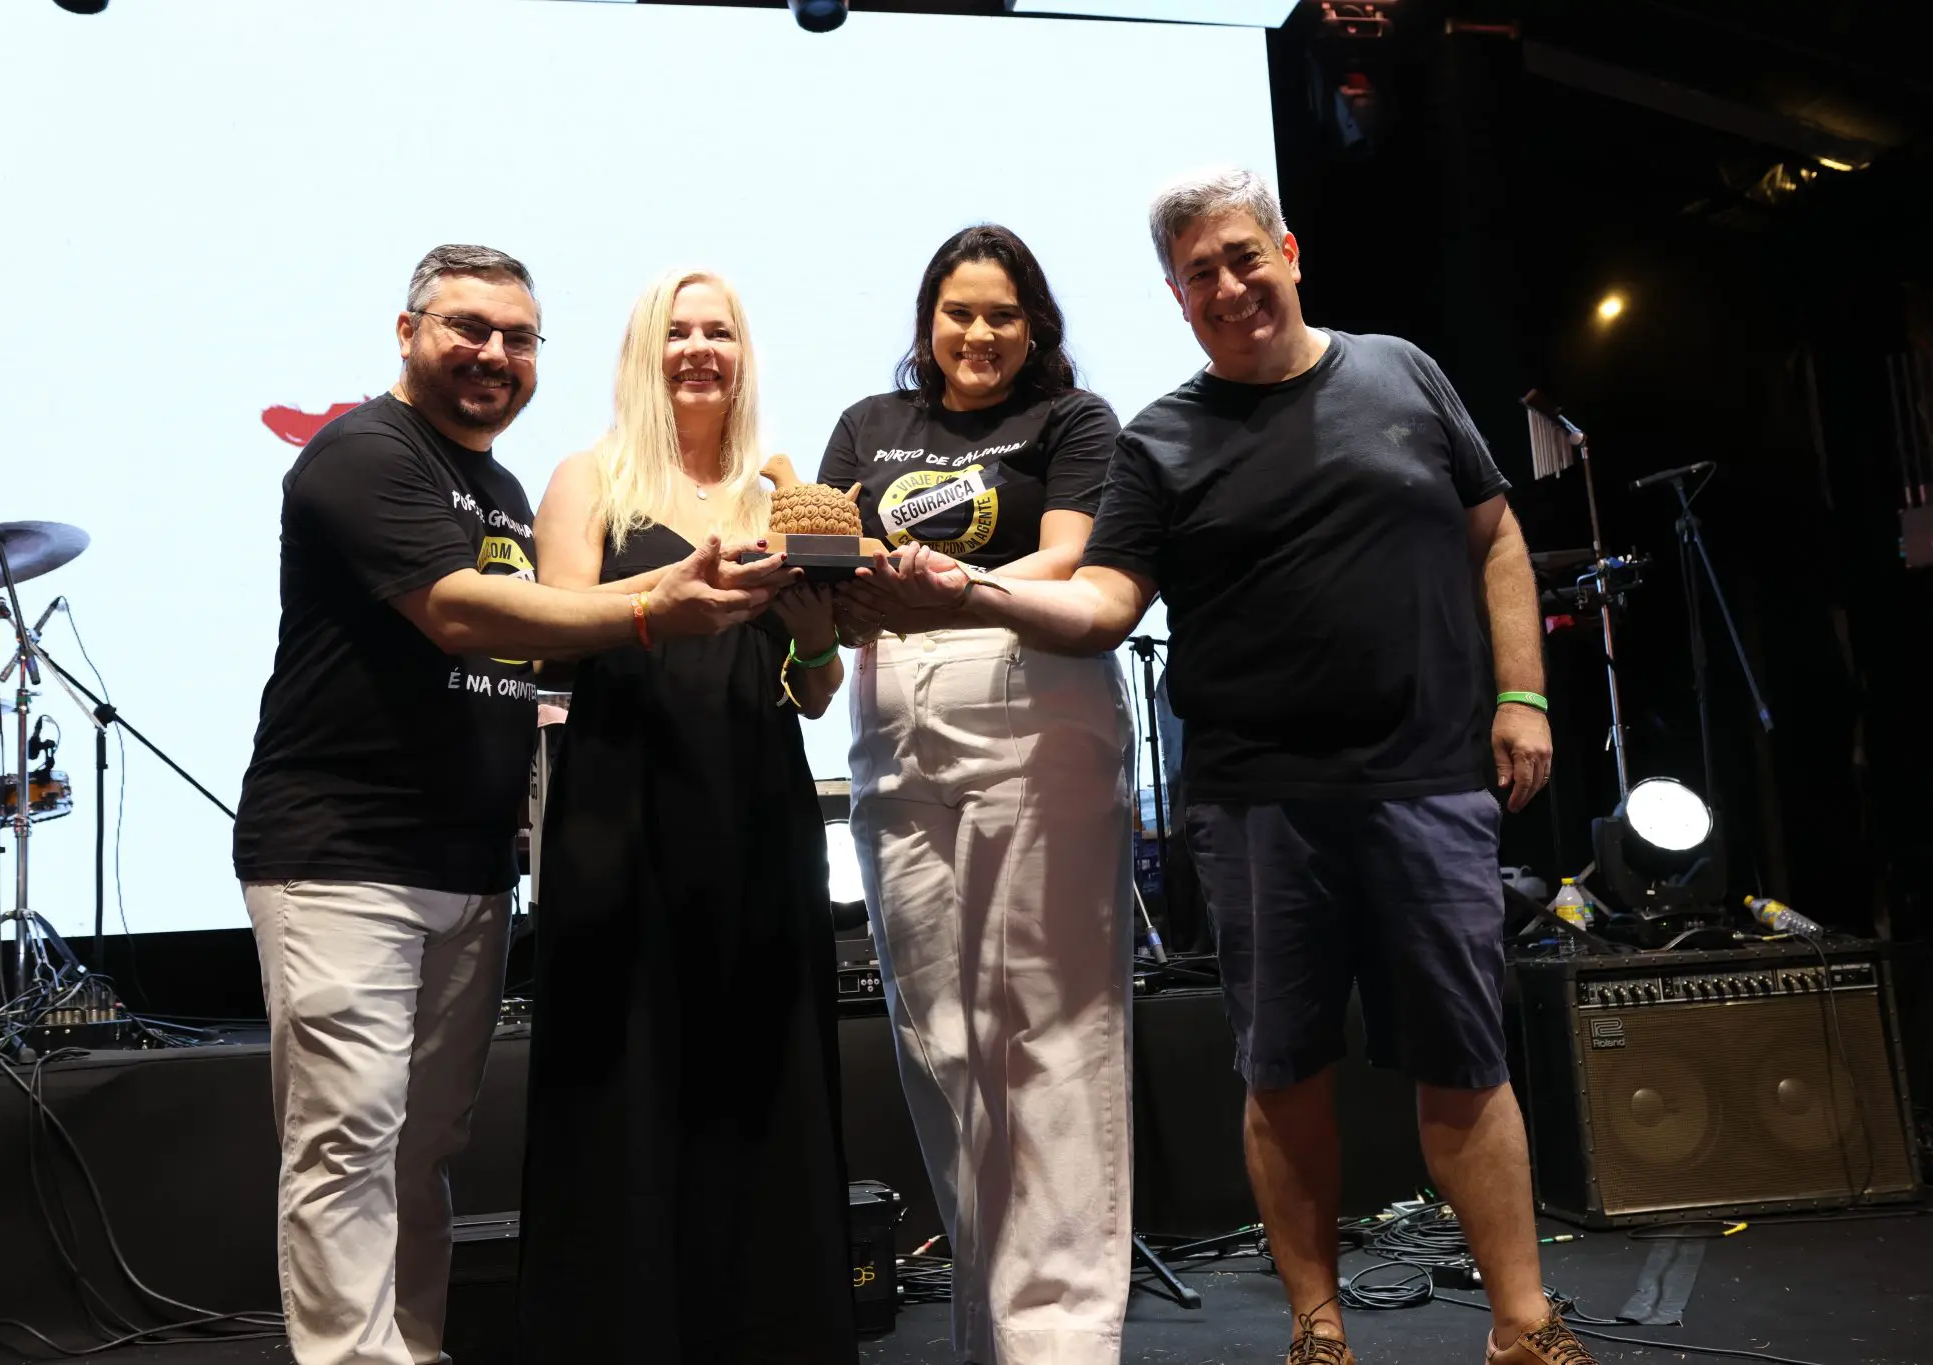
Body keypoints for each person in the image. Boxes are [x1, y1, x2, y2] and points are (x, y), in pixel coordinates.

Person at [867, 168, 1599, 1365]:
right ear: (1175, 295)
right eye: (1197, 273)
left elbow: (1494, 535)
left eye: (1241, 257)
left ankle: (1522, 1326)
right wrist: (977, 594)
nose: (1226, 286)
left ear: (1287, 253)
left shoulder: (1400, 373)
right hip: (1256, 803)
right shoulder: (1159, 440)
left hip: (1425, 784)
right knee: (1282, 1073)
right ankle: (1317, 1332)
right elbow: (1103, 604)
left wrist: (1520, 697)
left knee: (1465, 1063)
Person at [233, 244, 776, 1365]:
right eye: (467, 328)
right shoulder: (363, 454)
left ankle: (414, 1346)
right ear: (408, 333)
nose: (492, 353)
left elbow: (549, 640)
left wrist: (728, 587)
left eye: (517, 338)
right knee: (346, 1145)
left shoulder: (499, 490)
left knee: (420, 1146)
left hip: (470, 862)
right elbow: (460, 612)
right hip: (344, 855)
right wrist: (653, 609)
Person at [515, 267, 858, 1364]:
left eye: (719, 332)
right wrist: (660, 604)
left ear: (743, 355)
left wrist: (815, 634)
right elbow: (550, 632)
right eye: (677, 331)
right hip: (622, 808)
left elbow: (814, 688)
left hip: (759, 811)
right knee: (625, 1071)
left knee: (762, 1070)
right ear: (642, 353)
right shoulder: (590, 479)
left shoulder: (776, 497)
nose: (698, 349)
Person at [828, 224, 1135, 1365]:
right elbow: (832, 566)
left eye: (1002, 314)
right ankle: (997, 1329)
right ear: (928, 323)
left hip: (1029, 695)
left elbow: (1069, 559)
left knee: (1050, 1034)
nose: (979, 333)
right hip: (892, 721)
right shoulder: (868, 424)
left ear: (1033, 326)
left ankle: (1064, 1340)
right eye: (959, 312)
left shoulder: (1072, 421)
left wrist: (947, 585)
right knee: (942, 1043)